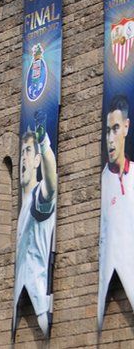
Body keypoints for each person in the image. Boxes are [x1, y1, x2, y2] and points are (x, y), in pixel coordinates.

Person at [13, 121, 58, 337]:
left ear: (37, 160)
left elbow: (51, 184)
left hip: (39, 304)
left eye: (28, 152)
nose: (23, 158)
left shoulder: (39, 197)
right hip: (18, 300)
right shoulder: (22, 208)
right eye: (21, 153)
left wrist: (44, 142)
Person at [99, 95, 134, 328]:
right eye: (107, 131)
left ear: (126, 128)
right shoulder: (102, 181)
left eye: (116, 129)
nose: (110, 139)